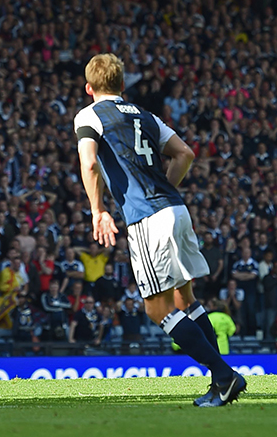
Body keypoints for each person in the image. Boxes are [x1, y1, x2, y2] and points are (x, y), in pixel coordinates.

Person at [74, 53, 245, 407]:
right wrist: (164, 190)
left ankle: (225, 375)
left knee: (156, 309)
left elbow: (89, 164)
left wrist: (97, 210)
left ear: (89, 88)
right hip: (176, 208)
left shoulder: (89, 115)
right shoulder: (146, 115)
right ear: (123, 85)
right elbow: (185, 154)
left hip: (147, 218)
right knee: (186, 300)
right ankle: (220, 381)